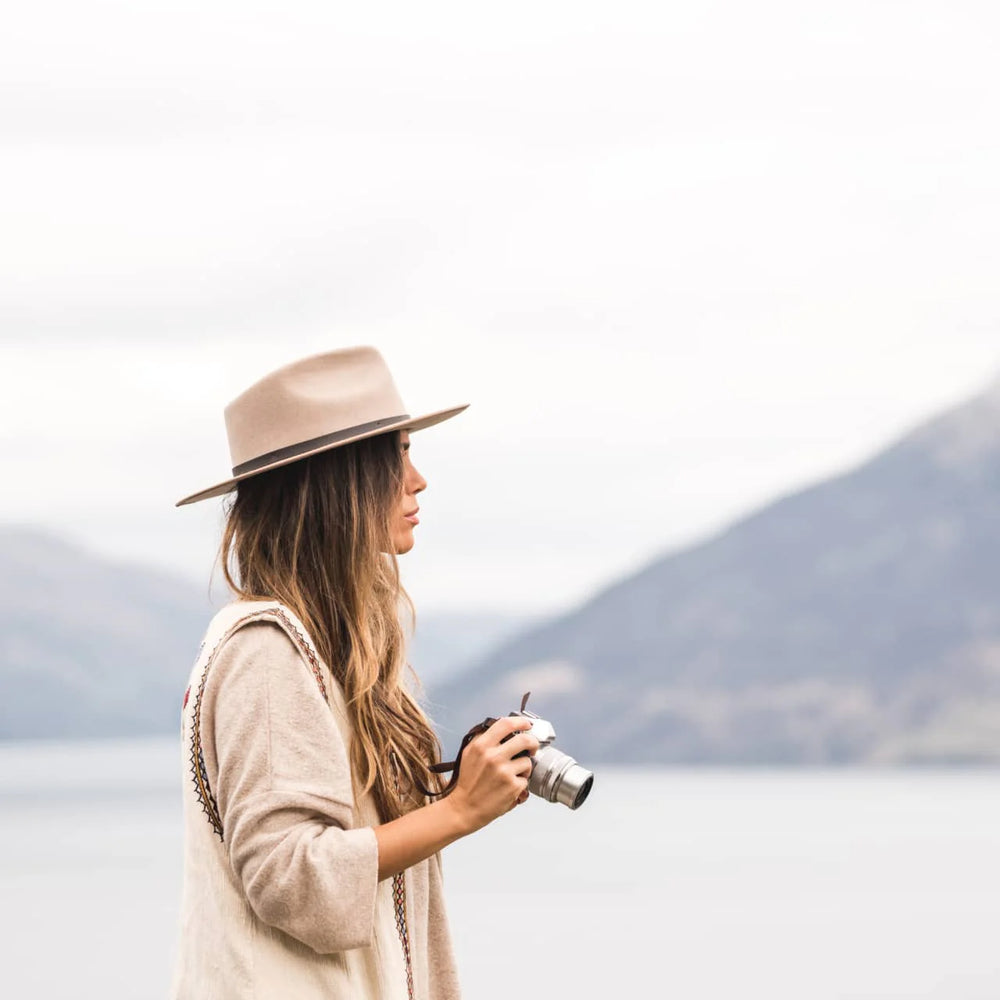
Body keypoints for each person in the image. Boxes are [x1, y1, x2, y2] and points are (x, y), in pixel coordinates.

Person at [169, 345, 539, 999]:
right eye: (396, 454)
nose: (418, 479)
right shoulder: (267, 652)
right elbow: (293, 879)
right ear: (341, 480)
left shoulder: (323, 650)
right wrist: (458, 811)